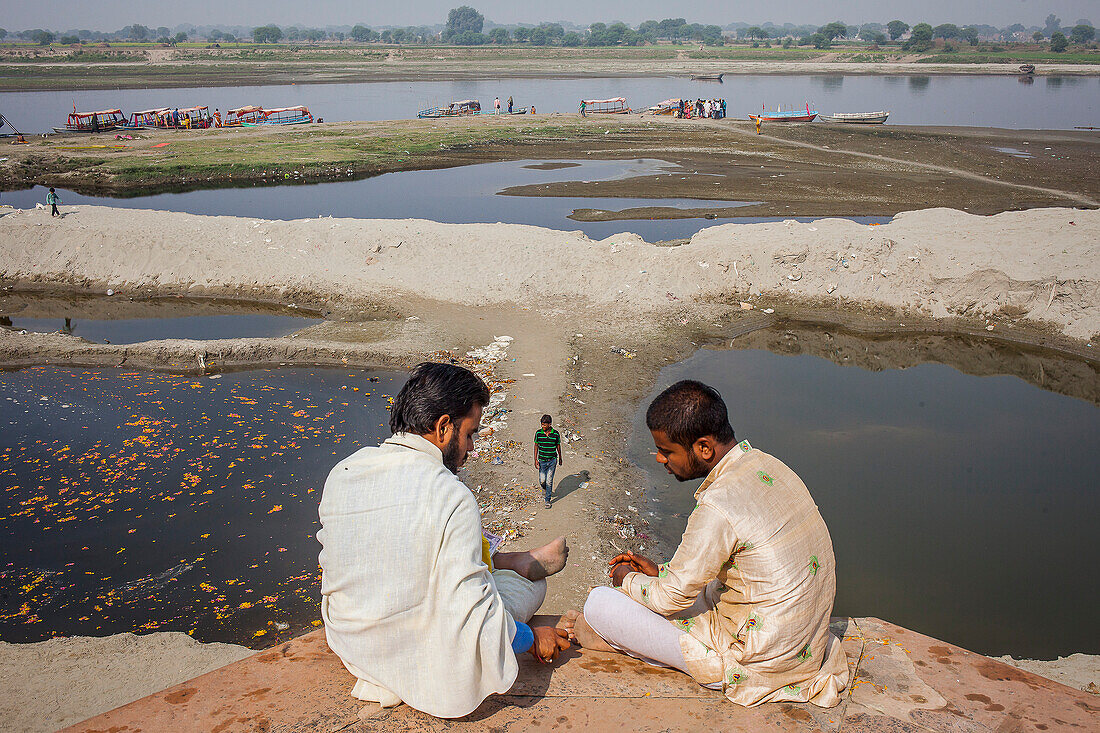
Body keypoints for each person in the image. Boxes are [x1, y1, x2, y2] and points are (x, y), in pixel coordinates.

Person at [561, 380, 849, 708]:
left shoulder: (718, 504)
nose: (659, 459)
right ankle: (635, 637)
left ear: (704, 449)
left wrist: (626, 578)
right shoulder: (769, 465)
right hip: (802, 649)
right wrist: (660, 572)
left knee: (600, 602)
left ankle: (625, 643)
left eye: (667, 450)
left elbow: (670, 599)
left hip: (753, 661)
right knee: (666, 590)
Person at [318, 362, 571, 718]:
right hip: (419, 655)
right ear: (442, 428)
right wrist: (532, 638)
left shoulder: (344, 471)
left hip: (353, 643)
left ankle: (509, 562)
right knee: (528, 587)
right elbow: (474, 613)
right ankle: (518, 568)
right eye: (469, 434)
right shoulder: (450, 495)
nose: (470, 449)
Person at [534, 415, 563, 508]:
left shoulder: (556, 434)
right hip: (542, 460)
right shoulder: (538, 433)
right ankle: (545, 489)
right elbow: (536, 446)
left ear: (550, 424)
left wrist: (560, 458)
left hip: (552, 461)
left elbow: (558, 446)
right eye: (542, 424)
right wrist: (535, 459)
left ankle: (547, 500)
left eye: (544, 425)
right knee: (542, 480)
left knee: (549, 481)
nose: (543, 426)